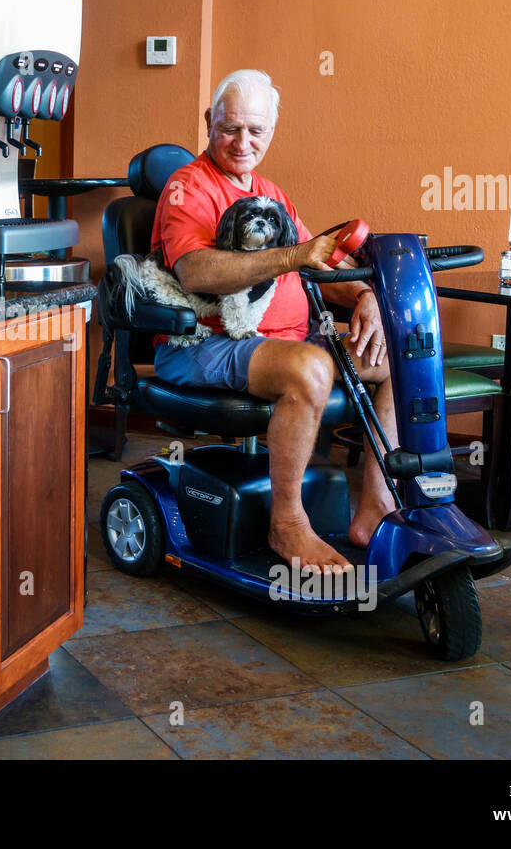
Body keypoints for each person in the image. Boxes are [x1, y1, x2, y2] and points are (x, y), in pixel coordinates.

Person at [151, 69, 397, 573]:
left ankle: (376, 507)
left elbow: (321, 262)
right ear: (208, 122)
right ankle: (286, 524)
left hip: (284, 342)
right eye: (230, 128)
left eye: (255, 130)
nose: (242, 142)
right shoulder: (187, 187)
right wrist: (292, 256)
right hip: (205, 342)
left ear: (272, 132)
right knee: (308, 367)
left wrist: (365, 294)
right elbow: (196, 271)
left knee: (391, 355)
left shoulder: (270, 192)